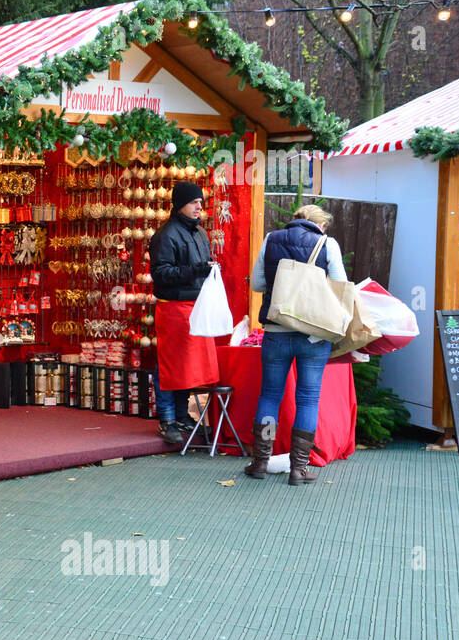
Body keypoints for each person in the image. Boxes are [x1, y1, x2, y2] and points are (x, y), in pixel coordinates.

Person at [245, 204, 347, 486]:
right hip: (313, 335)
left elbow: (257, 284)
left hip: (276, 330)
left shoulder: (271, 239)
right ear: (320, 225)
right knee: (308, 399)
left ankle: (261, 462)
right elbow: (340, 286)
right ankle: (298, 469)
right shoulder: (328, 244)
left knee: (269, 396)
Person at [148, 180, 220, 445]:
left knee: (188, 366)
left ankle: (182, 414)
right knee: (170, 365)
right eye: (193, 202)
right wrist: (198, 270)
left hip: (197, 306)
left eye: (201, 202)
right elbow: (160, 274)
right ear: (180, 205)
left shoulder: (201, 233)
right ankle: (167, 419)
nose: (199, 206)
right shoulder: (166, 235)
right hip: (174, 307)